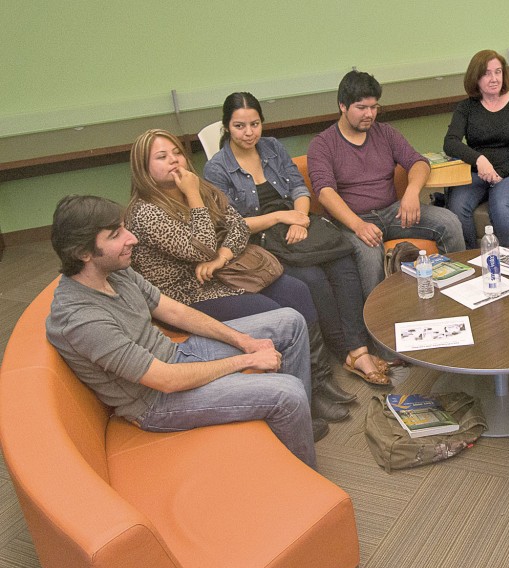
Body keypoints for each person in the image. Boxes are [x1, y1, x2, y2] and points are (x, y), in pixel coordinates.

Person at [45, 196, 320, 468]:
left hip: (176, 354)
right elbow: (166, 381)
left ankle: (293, 428)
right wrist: (247, 359)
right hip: (157, 402)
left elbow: (174, 311)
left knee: (289, 321)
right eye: (117, 235)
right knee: (288, 392)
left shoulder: (113, 271)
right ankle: (303, 475)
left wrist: (243, 340)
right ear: (84, 253)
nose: (132, 239)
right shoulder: (82, 319)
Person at [123, 129, 354, 427]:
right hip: (186, 295)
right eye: (162, 156)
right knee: (276, 314)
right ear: (143, 168)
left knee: (297, 290)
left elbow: (237, 225)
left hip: (223, 274)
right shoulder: (146, 213)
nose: (174, 160)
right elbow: (201, 246)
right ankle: (302, 401)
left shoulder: (198, 187)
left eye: (177, 152)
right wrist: (194, 198)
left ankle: (318, 380)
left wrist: (221, 256)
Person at [204, 92, 391, 389]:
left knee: (343, 260)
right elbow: (230, 223)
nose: (249, 132)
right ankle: (345, 349)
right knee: (312, 277)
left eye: (255, 124)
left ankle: (358, 350)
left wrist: (301, 218)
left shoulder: (272, 147)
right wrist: (282, 218)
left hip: (297, 226)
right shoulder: (217, 168)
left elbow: (298, 187)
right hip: (259, 239)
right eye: (240, 126)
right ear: (227, 127)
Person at [308, 70, 465, 297]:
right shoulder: (322, 144)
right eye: (361, 108)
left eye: (374, 107)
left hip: (392, 211)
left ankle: (455, 295)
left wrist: (411, 193)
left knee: (449, 222)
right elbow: (325, 192)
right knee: (372, 255)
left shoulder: (385, 133)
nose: (369, 114)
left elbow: (419, 162)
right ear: (342, 106)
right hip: (353, 219)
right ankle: (378, 324)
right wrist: (358, 225)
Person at [443, 50, 509, 248]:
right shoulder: (466, 107)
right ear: (475, 78)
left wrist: (498, 173)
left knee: (501, 206)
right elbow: (450, 143)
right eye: (487, 73)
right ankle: (471, 261)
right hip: (478, 173)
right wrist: (479, 160)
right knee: (457, 208)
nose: (494, 79)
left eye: (498, 72)